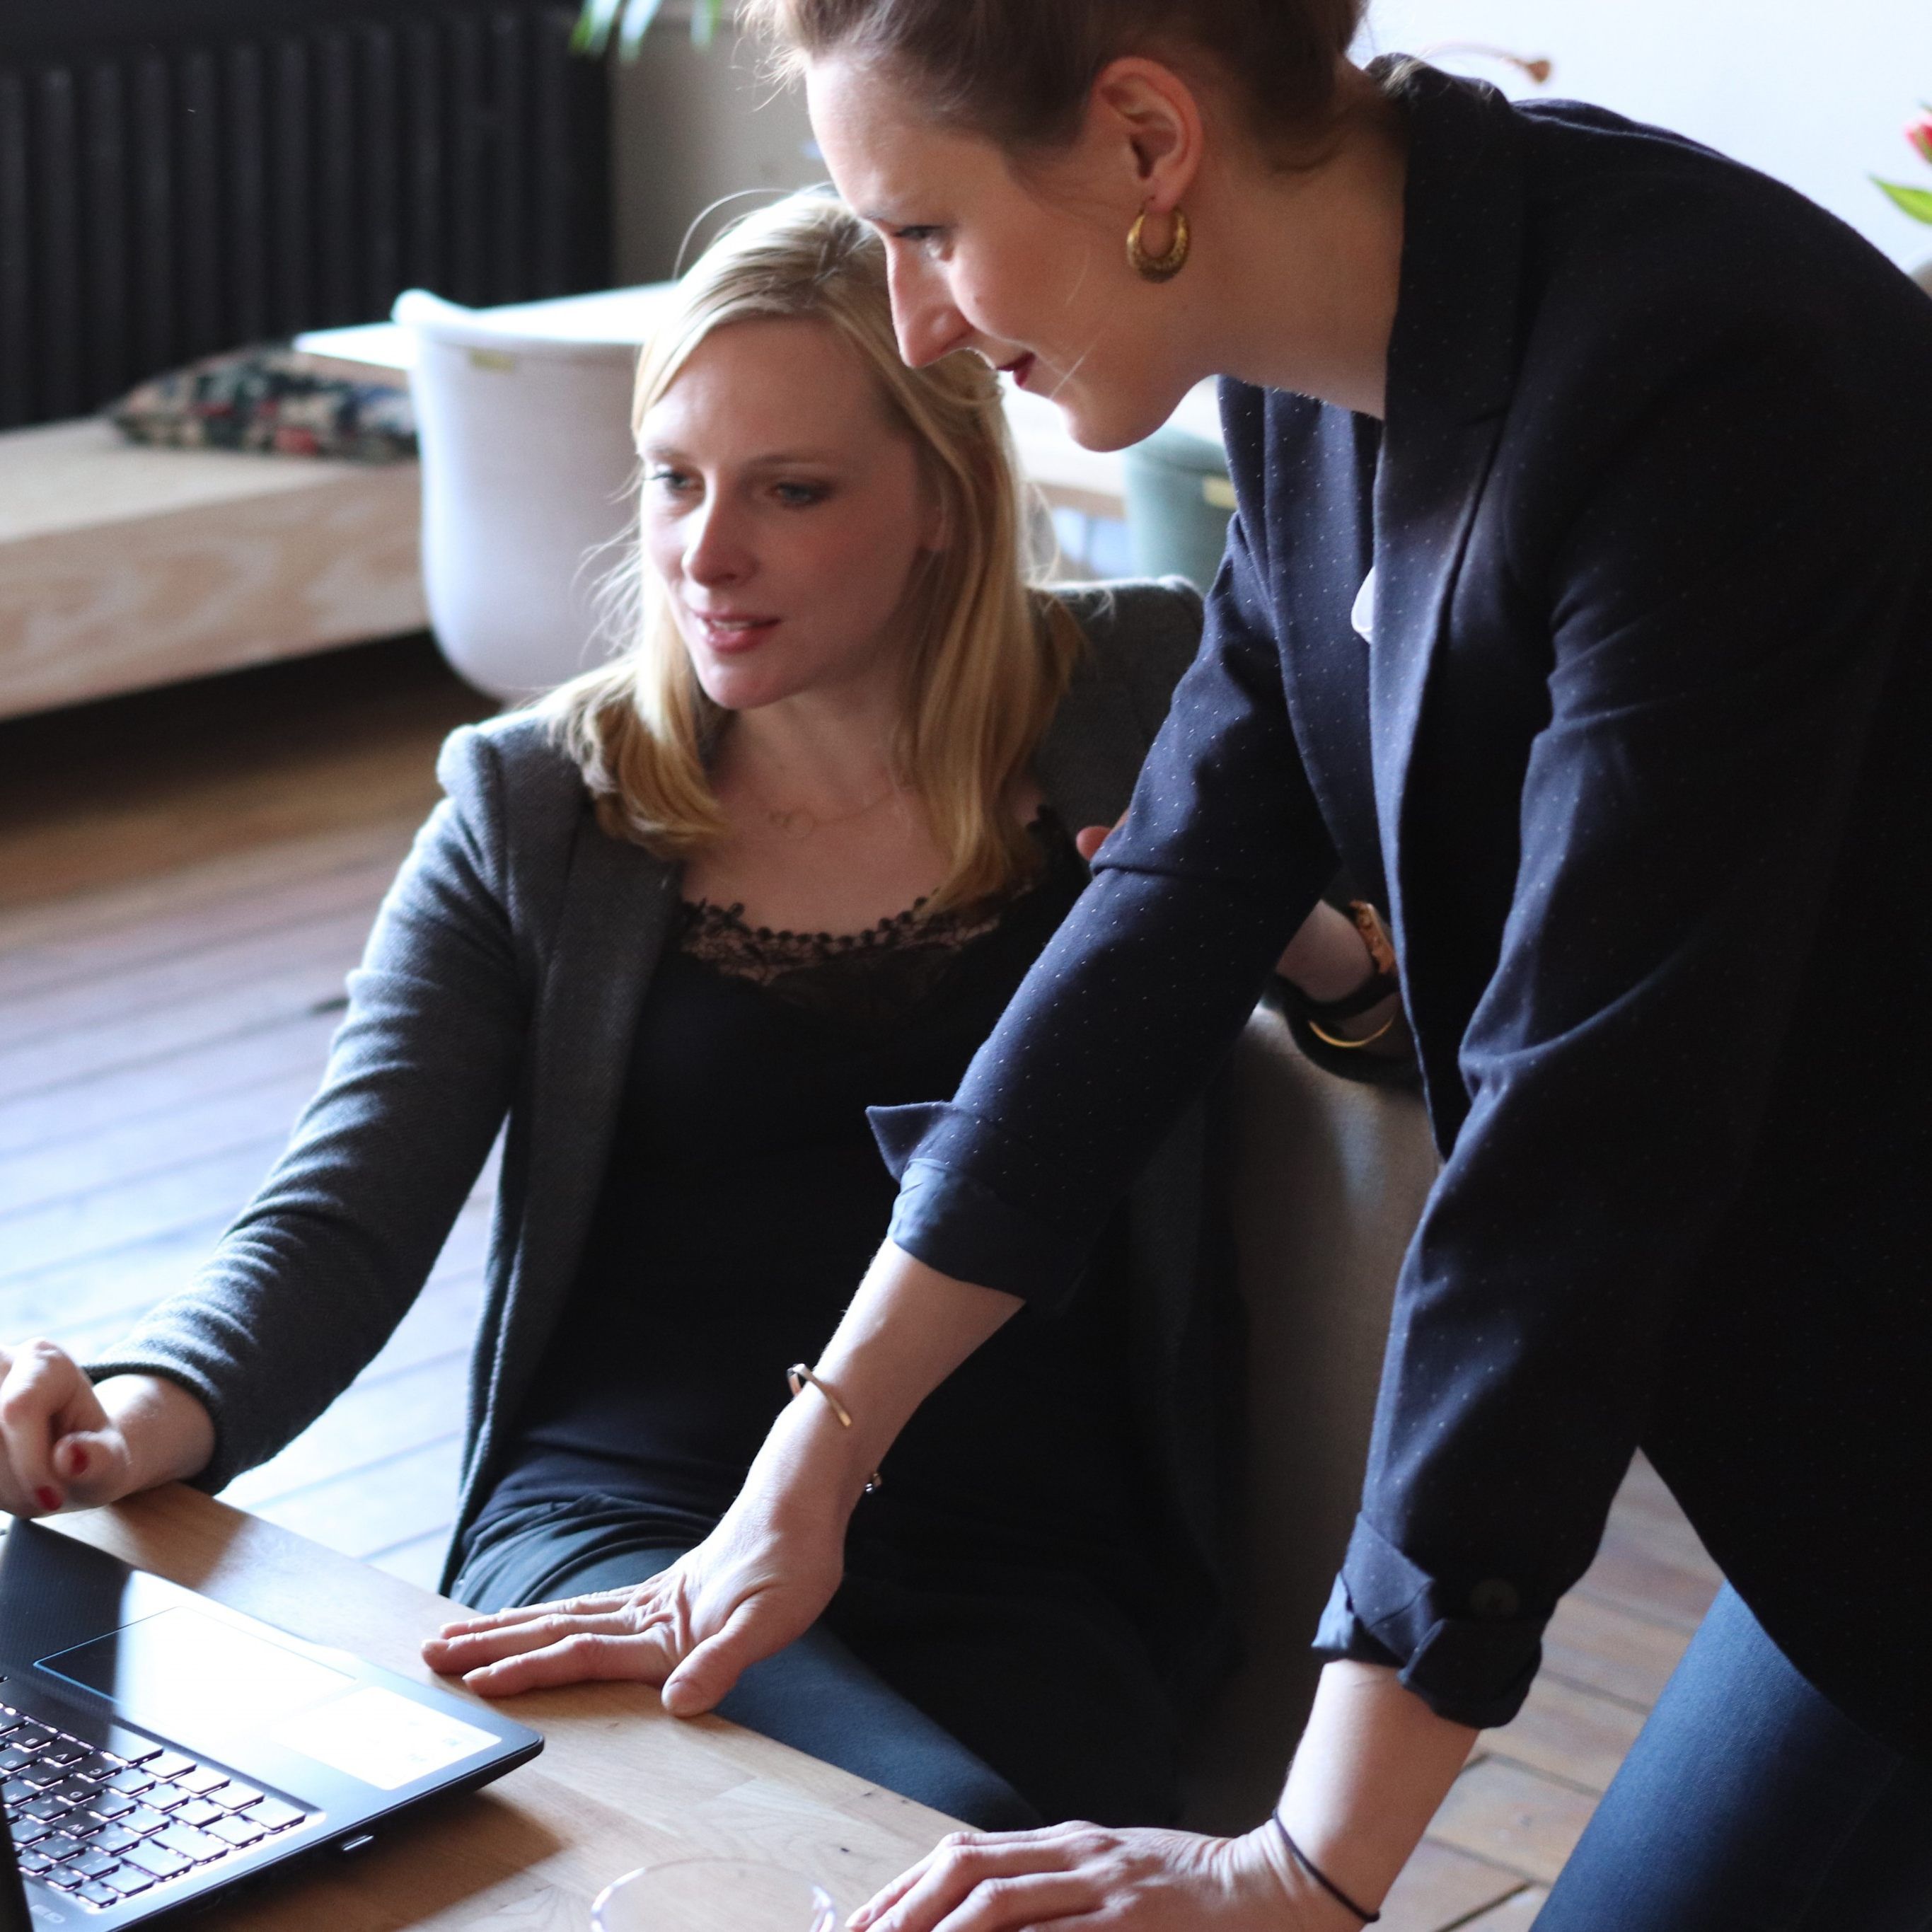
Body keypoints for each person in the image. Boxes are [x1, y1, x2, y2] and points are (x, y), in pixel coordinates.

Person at [513, 6, 1932, 1928]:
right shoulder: (1319, 377)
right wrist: (805, 1469)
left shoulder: (1703, 367)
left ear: (1144, 140)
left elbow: (1582, 1135)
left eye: (926, 229)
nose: (915, 325)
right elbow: (1170, 900)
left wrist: (1305, 1863)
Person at [0, 190, 1401, 1834]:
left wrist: (1297, 943)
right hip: (623, 1519)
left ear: (943, 498)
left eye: (790, 491)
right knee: (874, 1835)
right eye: (674, 478)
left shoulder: (1148, 690)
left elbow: (1420, 1038)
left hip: (1035, 1548)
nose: (704, 553)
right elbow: (341, 1217)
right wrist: (136, 1412)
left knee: (946, 1844)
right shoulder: (539, 803)